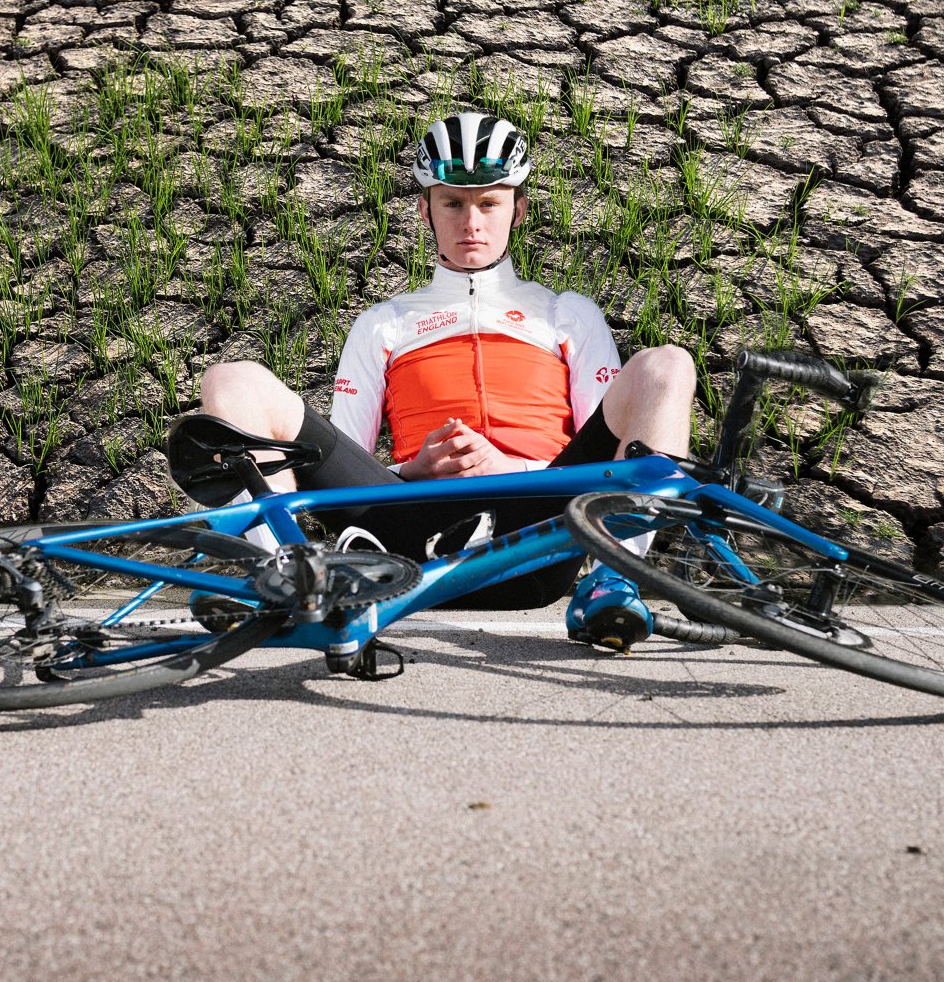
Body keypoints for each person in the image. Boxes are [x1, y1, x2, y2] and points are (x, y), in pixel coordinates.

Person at [197, 108, 696, 651]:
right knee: (232, 379)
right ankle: (274, 575)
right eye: (453, 203)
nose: (471, 222)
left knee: (666, 365)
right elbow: (343, 461)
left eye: (489, 203)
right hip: (405, 530)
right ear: (425, 209)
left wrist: (510, 467)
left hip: (538, 528)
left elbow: (610, 460)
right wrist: (414, 470)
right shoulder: (384, 323)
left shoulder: (565, 315)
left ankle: (614, 579)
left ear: (518, 209)